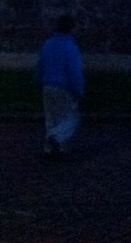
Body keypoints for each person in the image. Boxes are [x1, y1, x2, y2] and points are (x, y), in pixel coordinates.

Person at [36, 14, 85, 158]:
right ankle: (57, 138)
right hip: (64, 87)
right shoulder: (71, 47)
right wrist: (79, 90)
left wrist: (38, 79)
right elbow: (74, 71)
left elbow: (41, 64)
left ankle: (51, 148)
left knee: (51, 117)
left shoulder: (48, 44)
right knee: (71, 118)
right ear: (71, 28)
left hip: (47, 85)